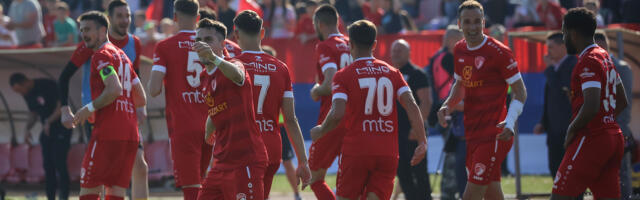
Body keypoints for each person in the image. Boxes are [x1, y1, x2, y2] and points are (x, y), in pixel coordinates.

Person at [310, 19, 428, 200]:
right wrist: (422, 141)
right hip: (387, 151)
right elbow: (412, 105)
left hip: (356, 151)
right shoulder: (393, 72)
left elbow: (337, 113)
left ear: (350, 44)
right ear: (374, 44)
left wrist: (321, 129)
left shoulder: (343, 76)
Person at [58, 1, 149, 199]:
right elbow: (141, 98)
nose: (83, 34)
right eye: (82, 30)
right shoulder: (123, 56)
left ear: (102, 30)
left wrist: (89, 108)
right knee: (115, 191)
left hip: (107, 131)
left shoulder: (101, 55)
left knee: (89, 190)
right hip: (129, 133)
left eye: (87, 30)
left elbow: (114, 88)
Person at [437, 1, 528, 200]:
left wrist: (510, 122)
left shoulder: (499, 52)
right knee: (492, 193)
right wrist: (447, 105)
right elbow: (460, 85)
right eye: (467, 22)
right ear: (459, 24)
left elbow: (521, 92)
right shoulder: (460, 49)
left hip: (495, 134)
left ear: (484, 22)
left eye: (477, 21)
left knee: (470, 195)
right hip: (472, 134)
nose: (472, 27)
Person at [550, 8, 629, 200]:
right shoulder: (604, 56)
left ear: (573, 33)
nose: (563, 36)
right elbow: (622, 100)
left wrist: (572, 128)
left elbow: (592, 105)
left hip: (592, 137)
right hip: (612, 136)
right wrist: (607, 120)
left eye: (564, 32)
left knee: (560, 196)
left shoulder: (589, 60)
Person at [232, 10, 312, 199]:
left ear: (236, 35)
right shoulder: (281, 68)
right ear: (262, 33)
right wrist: (303, 161)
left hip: (244, 147)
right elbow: (291, 119)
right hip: (272, 147)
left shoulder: (233, 65)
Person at [190, 18, 268, 200]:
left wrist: (214, 58)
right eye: (197, 40)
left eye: (208, 39)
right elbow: (215, 110)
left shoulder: (235, 65)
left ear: (223, 44)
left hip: (245, 161)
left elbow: (239, 75)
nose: (201, 44)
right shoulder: (203, 77)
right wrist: (208, 131)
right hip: (221, 163)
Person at [147, 1, 213, 199]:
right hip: (211, 123)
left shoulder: (165, 46)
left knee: (191, 186)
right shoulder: (211, 45)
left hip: (183, 125)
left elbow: (154, 89)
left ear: (175, 17)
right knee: (205, 182)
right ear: (198, 18)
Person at [308, 4, 352, 200]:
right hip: (357, 117)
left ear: (319, 24)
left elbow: (332, 82)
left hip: (333, 115)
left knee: (314, 177)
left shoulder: (325, 45)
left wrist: (316, 90)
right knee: (350, 179)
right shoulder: (353, 43)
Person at [10, 73, 71, 200]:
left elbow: (62, 107)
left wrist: (49, 121)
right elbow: (33, 113)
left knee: (59, 163)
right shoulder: (27, 94)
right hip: (47, 131)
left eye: (20, 90)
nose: (21, 94)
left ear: (24, 82)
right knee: (48, 165)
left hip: (61, 128)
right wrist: (27, 129)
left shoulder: (48, 85)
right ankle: (50, 197)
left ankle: (64, 196)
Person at [390, 38, 433, 200]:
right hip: (395, 134)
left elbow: (426, 102)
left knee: (420, 173)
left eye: (400, 50)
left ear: (409, 53)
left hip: (413, 133)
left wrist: (417, 128)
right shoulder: (390, 74)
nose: (396, 53)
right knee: (402, 172)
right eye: (394, 50)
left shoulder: (417, 74)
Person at [594, 31, 635, 200]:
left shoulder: (621, 67)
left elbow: (623, 103)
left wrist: (620, 129)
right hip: (599, 129)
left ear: (601, 46)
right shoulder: (596, 65)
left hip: (616, 128)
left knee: (620, 173)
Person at [533, 32, 576, 181]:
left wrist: (550, 69)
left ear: (563, 46)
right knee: (555, 169)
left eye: (551, 47)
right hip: (554, 130)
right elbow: (549, 100)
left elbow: (561, 89)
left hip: (569, 129)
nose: (547, 52)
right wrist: (543, 122)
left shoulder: (573, 64)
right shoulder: (554, 67)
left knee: (570, 172)